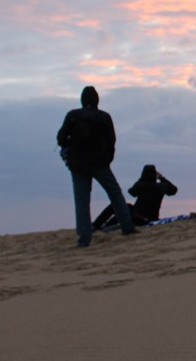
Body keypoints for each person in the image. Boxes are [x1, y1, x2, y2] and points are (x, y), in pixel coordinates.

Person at [56, 85, 137, 247]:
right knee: (115, 193)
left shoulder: (73, 116)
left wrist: (69, 151)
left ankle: (84, 238)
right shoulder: (104, 117)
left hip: (78, 163)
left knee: (82, 201)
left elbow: (61, 138)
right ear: (97, 100)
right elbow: (112, 141)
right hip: (100, 162)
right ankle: (127, 227)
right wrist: (108, 159)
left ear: (82, 100)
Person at [92, 164, 178, 229]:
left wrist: (141, 179)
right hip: (151, 218)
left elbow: (131, 192)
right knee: (125, 208)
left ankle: (98, 225)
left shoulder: (140, 185)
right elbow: (174, 190)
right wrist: (162, 178)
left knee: (117, 206)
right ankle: (107, 226)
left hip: (137, 217)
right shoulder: (160, 186)